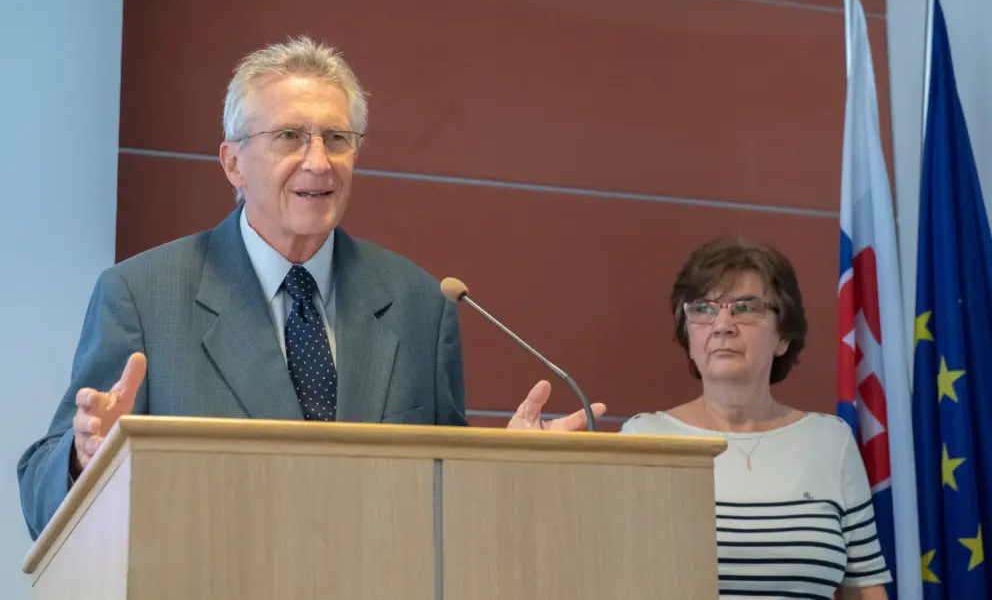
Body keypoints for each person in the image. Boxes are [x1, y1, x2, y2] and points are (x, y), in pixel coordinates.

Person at [17, 37, 605, 540]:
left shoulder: (420, 303)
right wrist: (83, 459)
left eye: (337, 138)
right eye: (291, 136)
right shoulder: (143, 295)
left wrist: (505, 466)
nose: (319, 162)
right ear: (233, 163)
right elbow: (39, 497)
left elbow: (445, 497)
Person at [621, 237, 891, 600]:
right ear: (687, 335)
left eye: (745, 307)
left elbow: (866, 590)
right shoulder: (643, 439)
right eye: (703, 309)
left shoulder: (831, 442)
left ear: (783, 337)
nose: (722, 325)